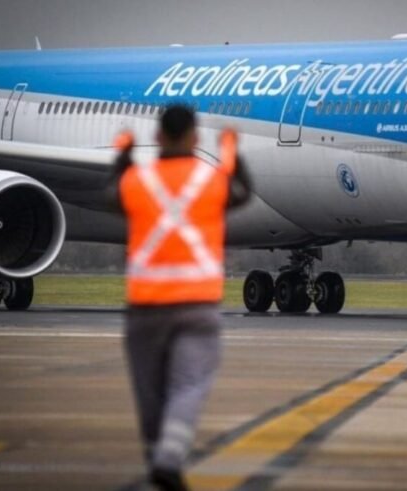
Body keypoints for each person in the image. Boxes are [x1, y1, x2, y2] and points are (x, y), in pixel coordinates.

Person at [113, 104, 251, 490]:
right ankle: (169, 459)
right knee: (188, 385)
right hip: (197, 307)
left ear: (157, 136)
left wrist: (124, 154)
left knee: (150, 392)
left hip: (144, 309)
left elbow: (113, 196)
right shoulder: (211, 180)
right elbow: (242, 191)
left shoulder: (138, 180)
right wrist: (230, 152)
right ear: (195, 137)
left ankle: (158, 456)